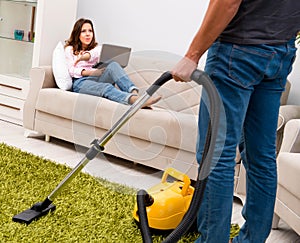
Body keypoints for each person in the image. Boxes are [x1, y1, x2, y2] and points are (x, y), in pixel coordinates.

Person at [171, 1, 300, 242]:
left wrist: (192, 55)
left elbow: (228, 2)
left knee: (216, 156)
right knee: (261, 156)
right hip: (280, 51)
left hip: (237, 50)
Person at [65, 18, 161, 107]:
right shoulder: (70, 49)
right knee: (106, 87)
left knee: (113, 65)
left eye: (90, 31)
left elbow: (92, 55)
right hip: (80, 84)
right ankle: (133, 100)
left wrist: (83, 58)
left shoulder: (96, 49)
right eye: (83, 31)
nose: (88, 34)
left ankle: (134, 93)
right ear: (77, 34)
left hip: (96, 78)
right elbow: (71, 70)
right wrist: (92, 72)